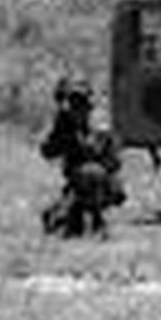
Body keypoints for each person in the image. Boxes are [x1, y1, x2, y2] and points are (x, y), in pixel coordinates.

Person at [40, 76, 126, 238]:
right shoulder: (66, 126)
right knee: (64, 223)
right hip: (77, 186)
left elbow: (114, 162)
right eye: (74, 103)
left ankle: (95, 217)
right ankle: (71, 214)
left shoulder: (100, 128)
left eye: (81, 102)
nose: (78, 108)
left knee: (92, 174)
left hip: (101, 183)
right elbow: (47, 151)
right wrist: (62, 131)